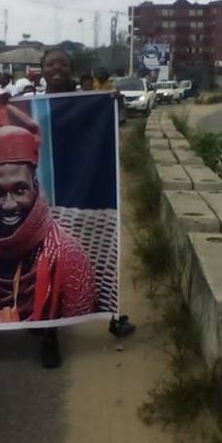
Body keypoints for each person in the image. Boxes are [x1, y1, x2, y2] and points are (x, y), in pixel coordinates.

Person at [0, 107, 97, 331]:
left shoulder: (68, 255)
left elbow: (78, 328)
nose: (10, 204)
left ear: (34, 186)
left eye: (20, 190)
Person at [40, 49, 135, 354]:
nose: (56, 69)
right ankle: (49, 335)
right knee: (48, 261)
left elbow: (112, 124)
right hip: (45, 190)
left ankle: (108, 313)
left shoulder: (88, 100)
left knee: (95, 253)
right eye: (50, 64)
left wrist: (114, 103)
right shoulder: (31, 102)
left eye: (62, 64)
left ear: (70, 69)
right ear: (41, 70)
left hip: (83, 187)